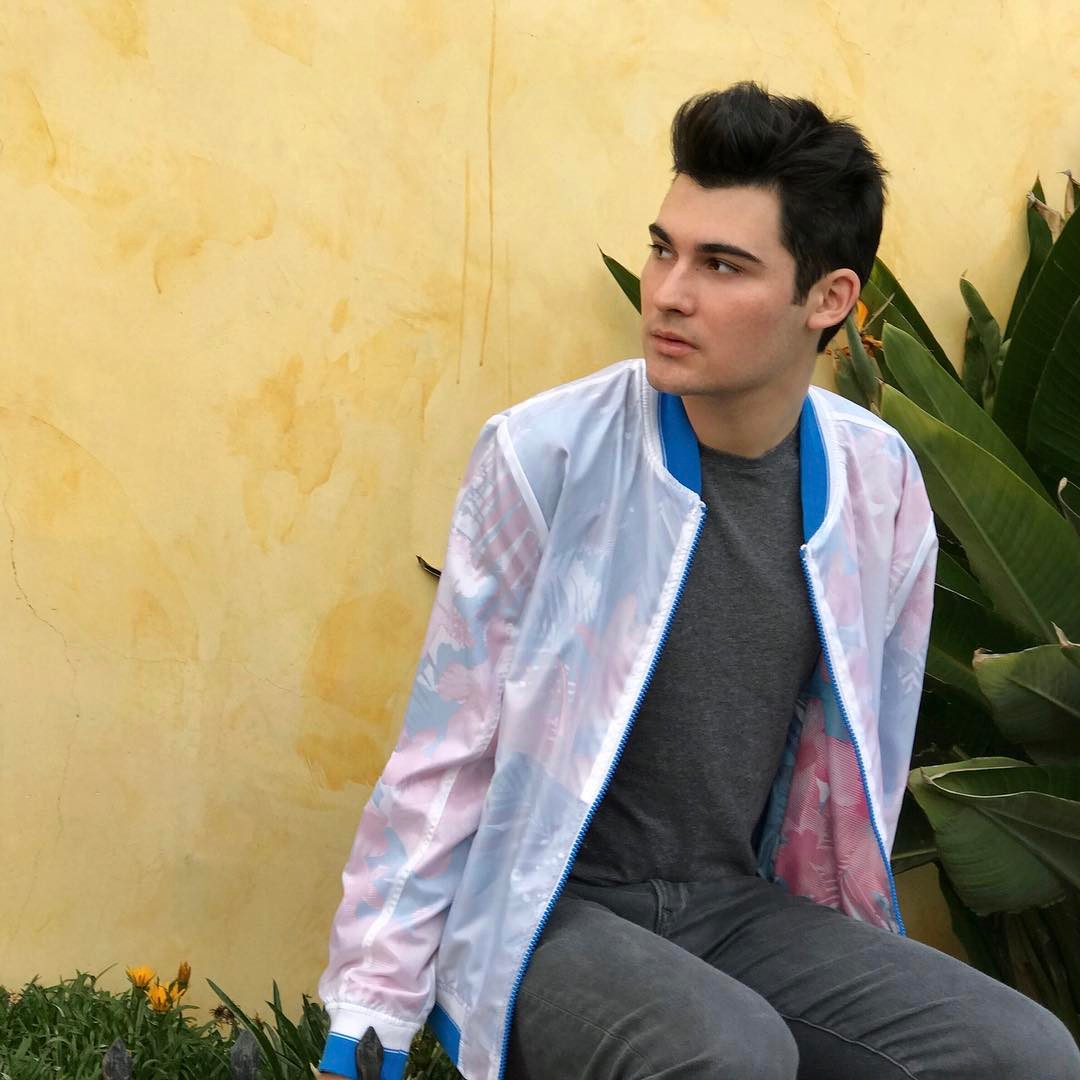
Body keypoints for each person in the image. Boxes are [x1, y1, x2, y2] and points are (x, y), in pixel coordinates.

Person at [316, 82, 1080, 1080]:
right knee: (728, 1051)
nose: (669, 292)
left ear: (829, 299)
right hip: (548, 908)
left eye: (722, 264)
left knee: (1025, 1052)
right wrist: (370, 1006)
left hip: (735, 904)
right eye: (663, 250)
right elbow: (447, 748)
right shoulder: (545, 454)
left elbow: (873, 739)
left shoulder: (878, 483)